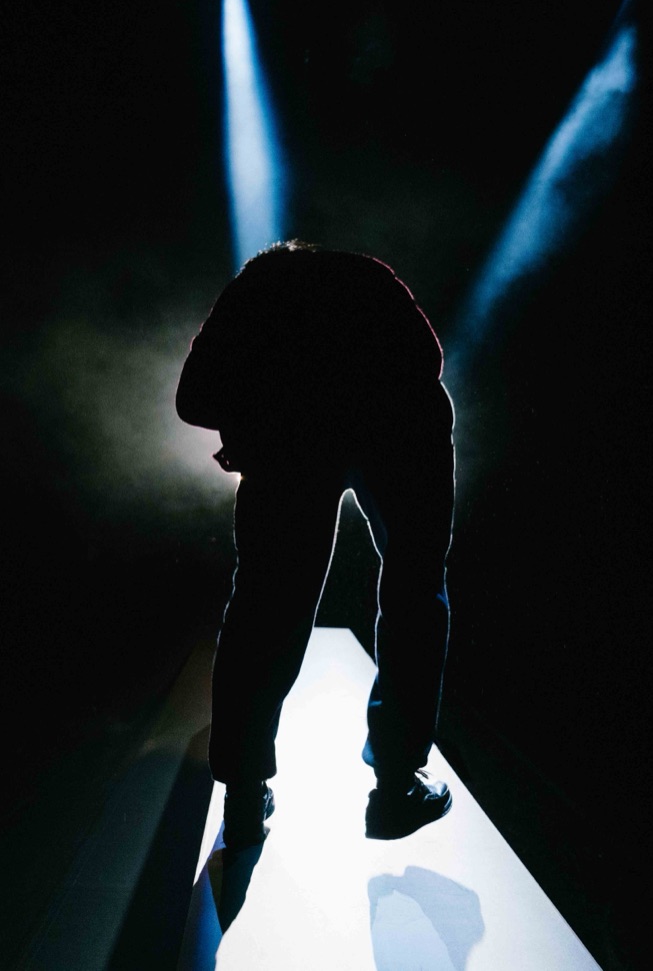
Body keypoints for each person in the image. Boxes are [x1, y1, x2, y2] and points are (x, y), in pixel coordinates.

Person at [177, 241, 456, 845]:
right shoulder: (368, 276)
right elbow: (426, 358)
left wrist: (254, 428)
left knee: (265, 605)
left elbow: (192, 397)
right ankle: (396, 787)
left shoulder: (254, 289)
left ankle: (245, 797)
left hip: (295, 440)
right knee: (414, 590)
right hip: (404, 425)